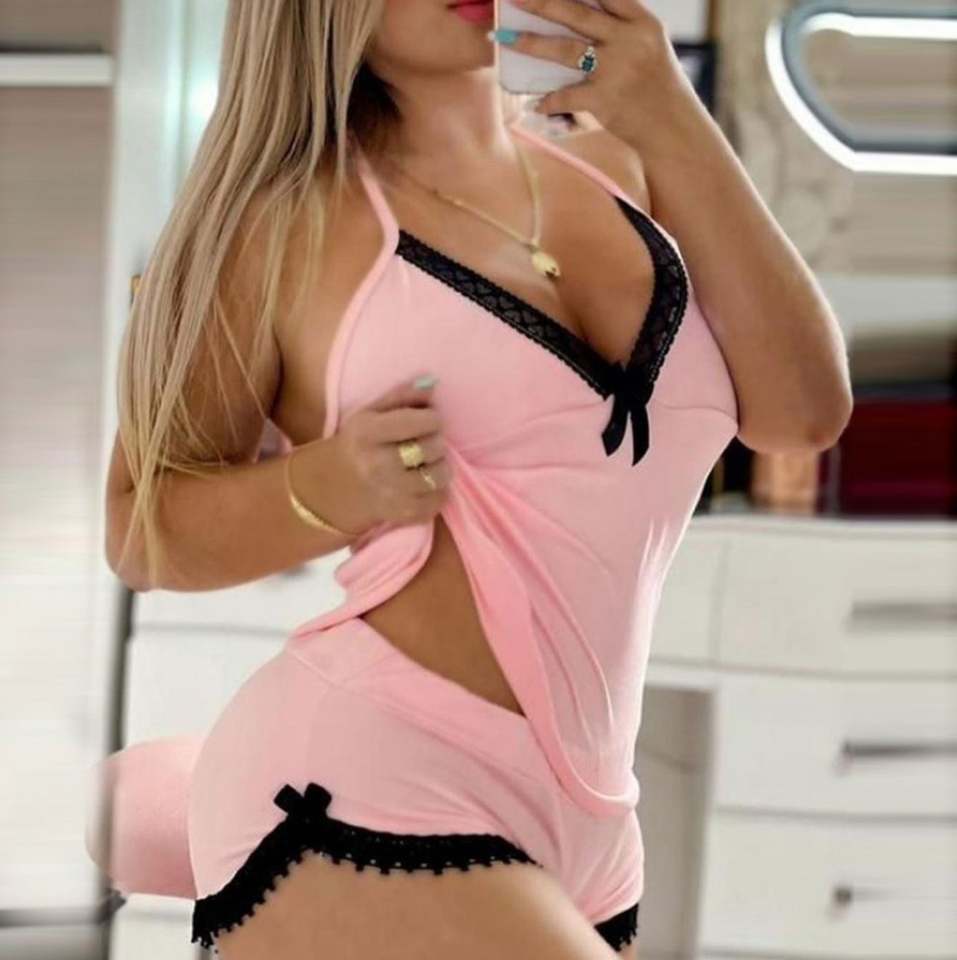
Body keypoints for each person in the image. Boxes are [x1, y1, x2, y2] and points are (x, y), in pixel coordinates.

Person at [87, 1, 852, 957]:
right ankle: (176, 803)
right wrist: (326, 488)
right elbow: (140, 529)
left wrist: (670, 113)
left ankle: (148, 802)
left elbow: (800, 413)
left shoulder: (626, 168)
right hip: (365, 786)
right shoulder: (274, 227)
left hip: (590, 824)